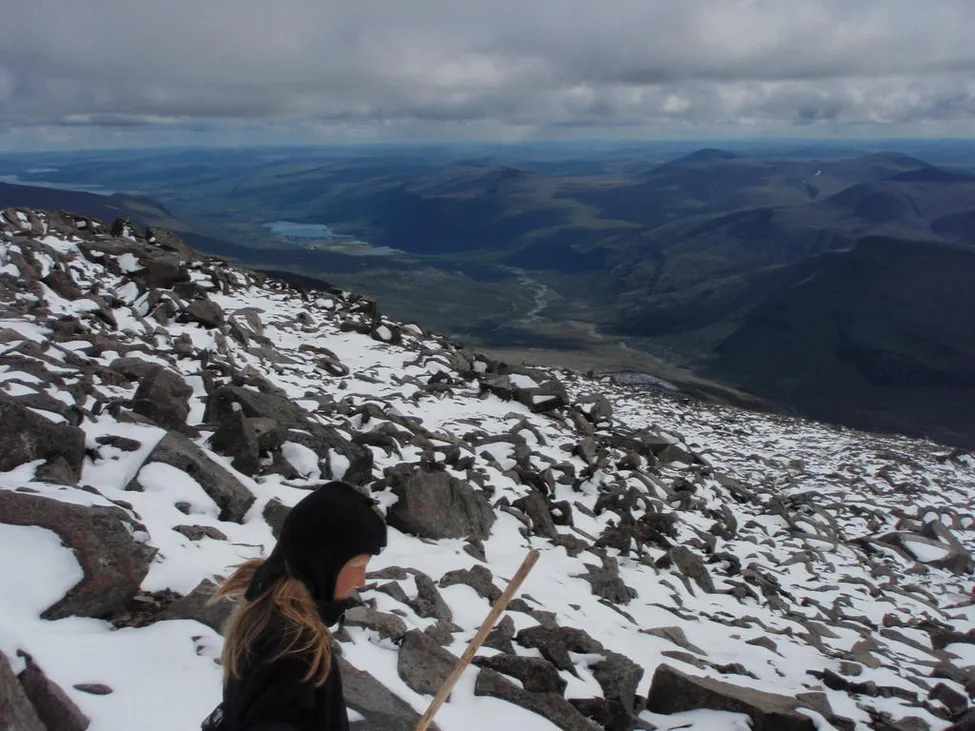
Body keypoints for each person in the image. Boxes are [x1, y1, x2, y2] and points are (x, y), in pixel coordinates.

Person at [201, 481, 387, 731]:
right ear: (322, 565)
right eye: (356, 566)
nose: (362, 580)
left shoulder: (270, 613)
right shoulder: (289, 648)